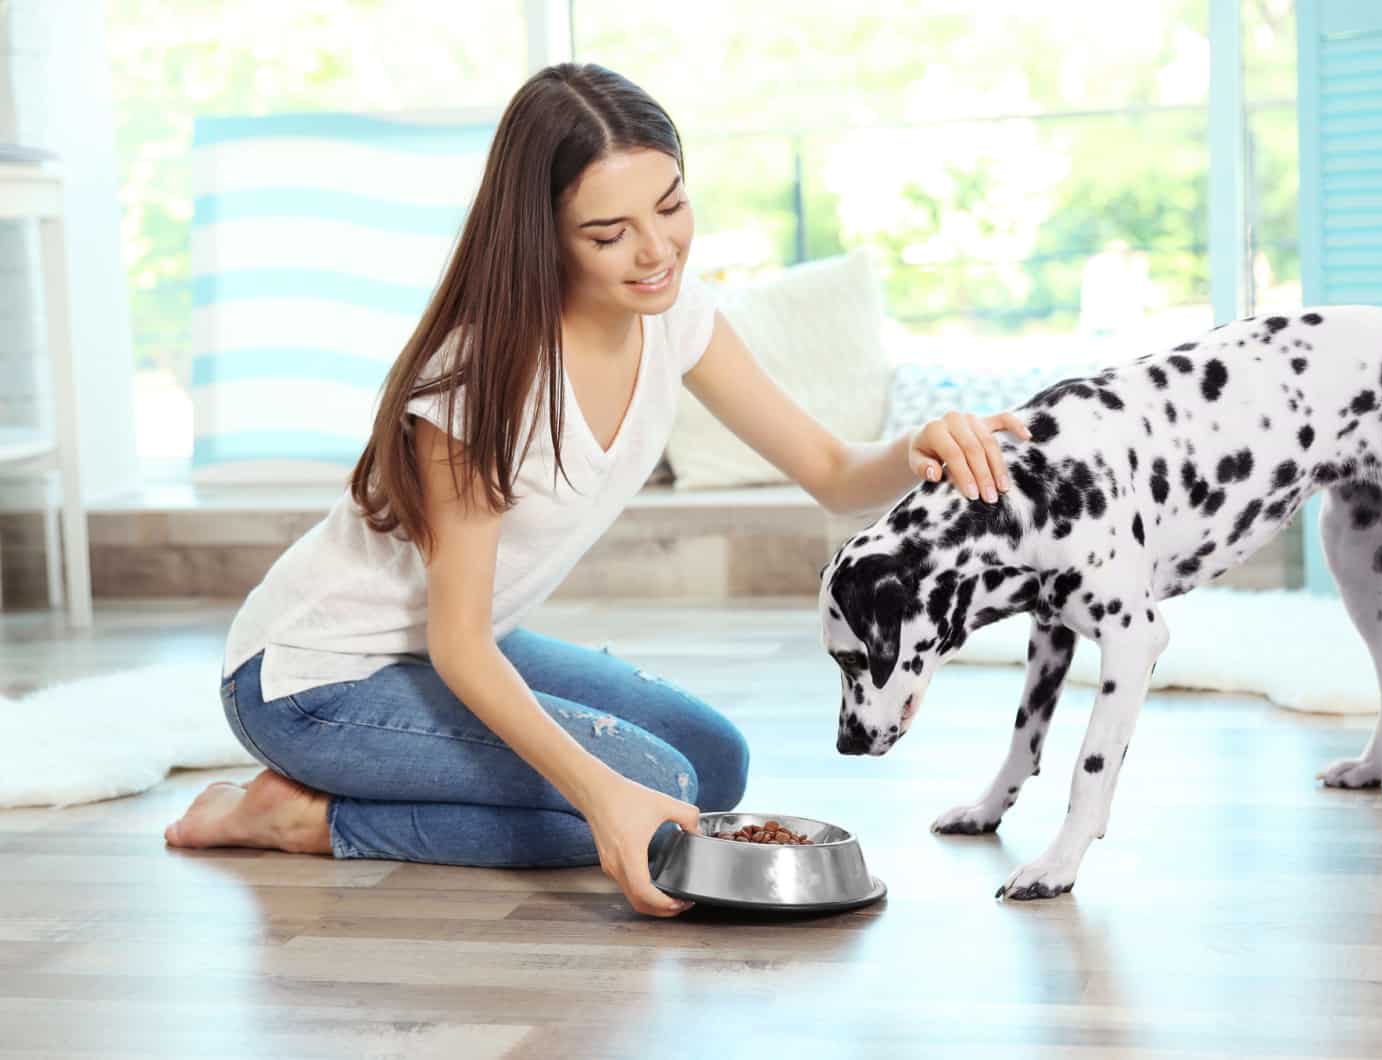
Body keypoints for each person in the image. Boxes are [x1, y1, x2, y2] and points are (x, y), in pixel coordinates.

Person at [163, 63, 1029, 918]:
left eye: (672, 205)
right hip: (314, 680)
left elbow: (835, 475)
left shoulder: (677, 316)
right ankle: (302, 819)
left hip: (435, 653)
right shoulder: (478, 386)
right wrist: (601, 799)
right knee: (652, 799)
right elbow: (461, 644)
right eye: (609, 233)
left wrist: (921, 445)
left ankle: (392, 801)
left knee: (710, 766)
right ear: (544, 235)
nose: (656, 252)